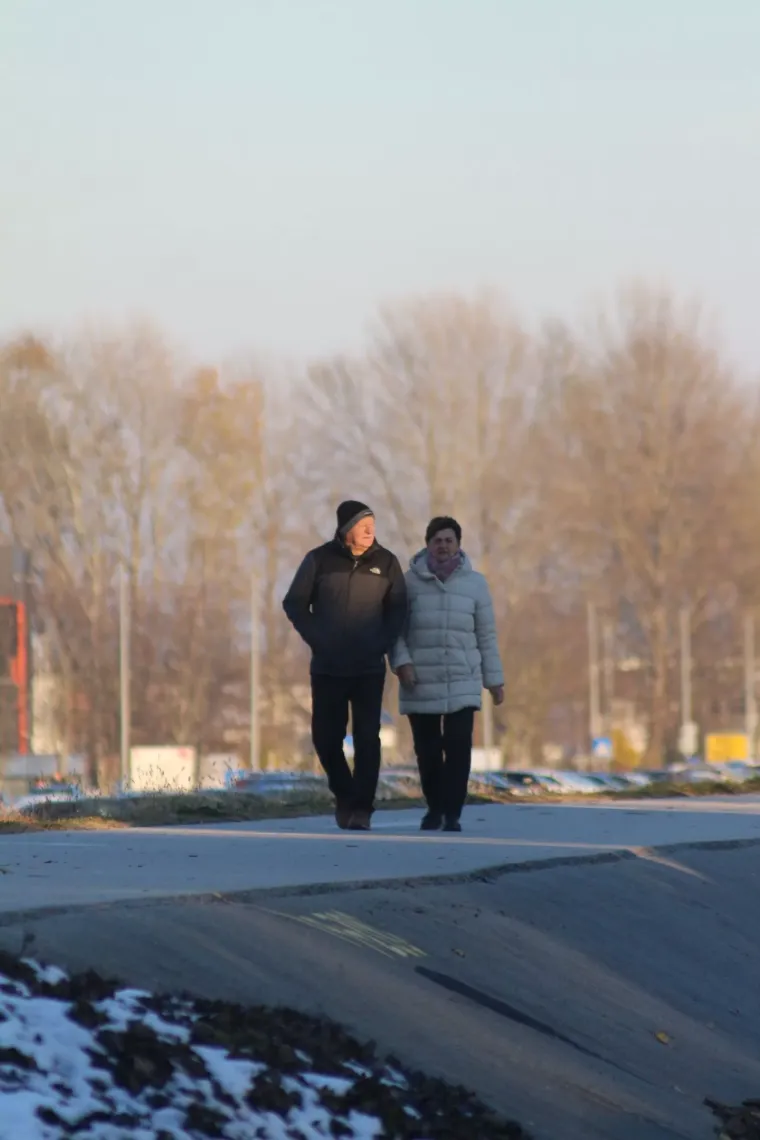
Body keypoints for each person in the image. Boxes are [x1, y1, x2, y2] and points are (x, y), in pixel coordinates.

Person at [283, 500, 407, 831]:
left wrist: (381, 641)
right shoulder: (319, 560)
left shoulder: (387, 562)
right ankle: (345, 794)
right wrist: (317, 638)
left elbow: (398, 609)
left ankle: (362, 808)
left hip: (368, 667)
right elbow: (293, 602)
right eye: (363, 525)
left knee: (368, 738)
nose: (370, 531)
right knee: (325, 737)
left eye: (373, 525)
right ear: (345, 529)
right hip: (328, 666)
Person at [390, 516, 504, 832]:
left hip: (462, 678)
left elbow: (487, 635)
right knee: (427, 751)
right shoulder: (408, 583)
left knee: (457, 745)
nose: (443, 546)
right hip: (420, 680)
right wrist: (402, 664)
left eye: (449, 540)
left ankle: (452, 812)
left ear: (458, 545)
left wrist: (494, 680)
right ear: (428, 544)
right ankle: (434, 808)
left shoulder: (476, 585)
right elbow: (394, 631)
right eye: (437, 540)